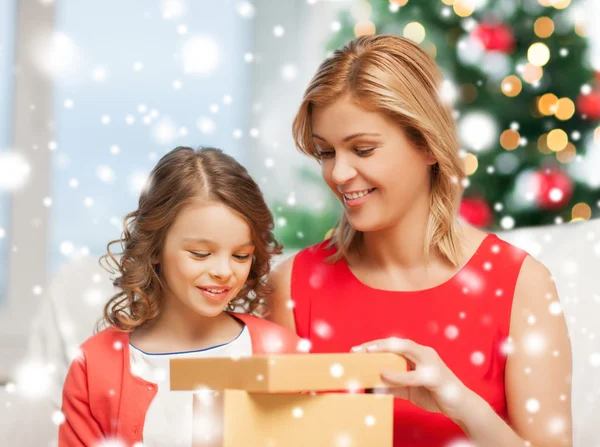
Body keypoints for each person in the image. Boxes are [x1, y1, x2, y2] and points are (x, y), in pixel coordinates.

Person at [267, 35, 573, 447]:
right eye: (325, 153)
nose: (339, 174)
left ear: (427, 144)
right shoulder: (294, 287)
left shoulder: (521, 285)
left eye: (363, 149)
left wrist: (461, 405)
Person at [59, 147, 301, 446]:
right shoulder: (94, 366)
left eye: (241, 255)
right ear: (156, 247)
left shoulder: (284, 353)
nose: (224, 271)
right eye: (200, 254)